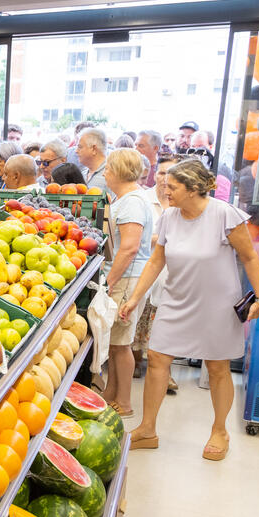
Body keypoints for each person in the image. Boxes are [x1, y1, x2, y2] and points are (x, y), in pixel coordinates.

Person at [119, 160, 259, 461]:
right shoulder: (170, 217)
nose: (165, 189)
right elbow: (156, 262)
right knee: (158, 357)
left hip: (218, 305)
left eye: (172, 186)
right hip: (176, 300)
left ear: (194, 189)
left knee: (217, 368)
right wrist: (135, 298)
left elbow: (250, 257)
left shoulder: (224, 215)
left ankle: (220, 431)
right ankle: (148, 428)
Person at [101, 149, 156, 418]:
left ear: (120, 171)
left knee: (122, 343)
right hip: (124, 275)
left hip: (126, 277)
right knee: (115, 341)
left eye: (108, 168)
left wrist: (109, 281)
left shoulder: (133, 202)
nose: (105, 173)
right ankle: (111, 394)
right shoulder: (127, 198)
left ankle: (124, 403)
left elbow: (130, 248)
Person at [132, 156, 178, 392]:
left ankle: (164, 371)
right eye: (161, 173)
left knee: (163, 321)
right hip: (144, 266)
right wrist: (162, 240)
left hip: (170, 272)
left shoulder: (180, 203)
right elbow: (134, 235)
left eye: (170, 173)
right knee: (140, 314)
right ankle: (136, 360)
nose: (164, 178)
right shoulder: (143, 199)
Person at [76, 127, 109, 194]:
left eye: (80, 147)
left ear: (94, 149)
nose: (76, 151)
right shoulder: (83, 173)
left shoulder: (112, 175)